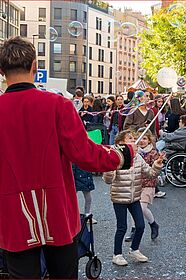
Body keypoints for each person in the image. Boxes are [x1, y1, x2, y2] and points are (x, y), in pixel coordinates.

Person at [0, 36, 136, 278]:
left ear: (2, 71)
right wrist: (121, 156)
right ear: (35, 66)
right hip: (57, 211)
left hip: (12, 214)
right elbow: (84, 154)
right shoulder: (58, 105)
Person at [103, 130, 164, 266]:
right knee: (122, 227)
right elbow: (108, 180)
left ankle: (134, 249)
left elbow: (150, 174)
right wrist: (109, 168)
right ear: (120, 143)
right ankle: (117, 254)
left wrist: (157, 164)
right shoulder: (115, 157)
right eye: (129, 138)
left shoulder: (137, 157)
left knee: (140, 226)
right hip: (120, 197)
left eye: (133, 138)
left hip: (135, 197)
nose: (134, 140)